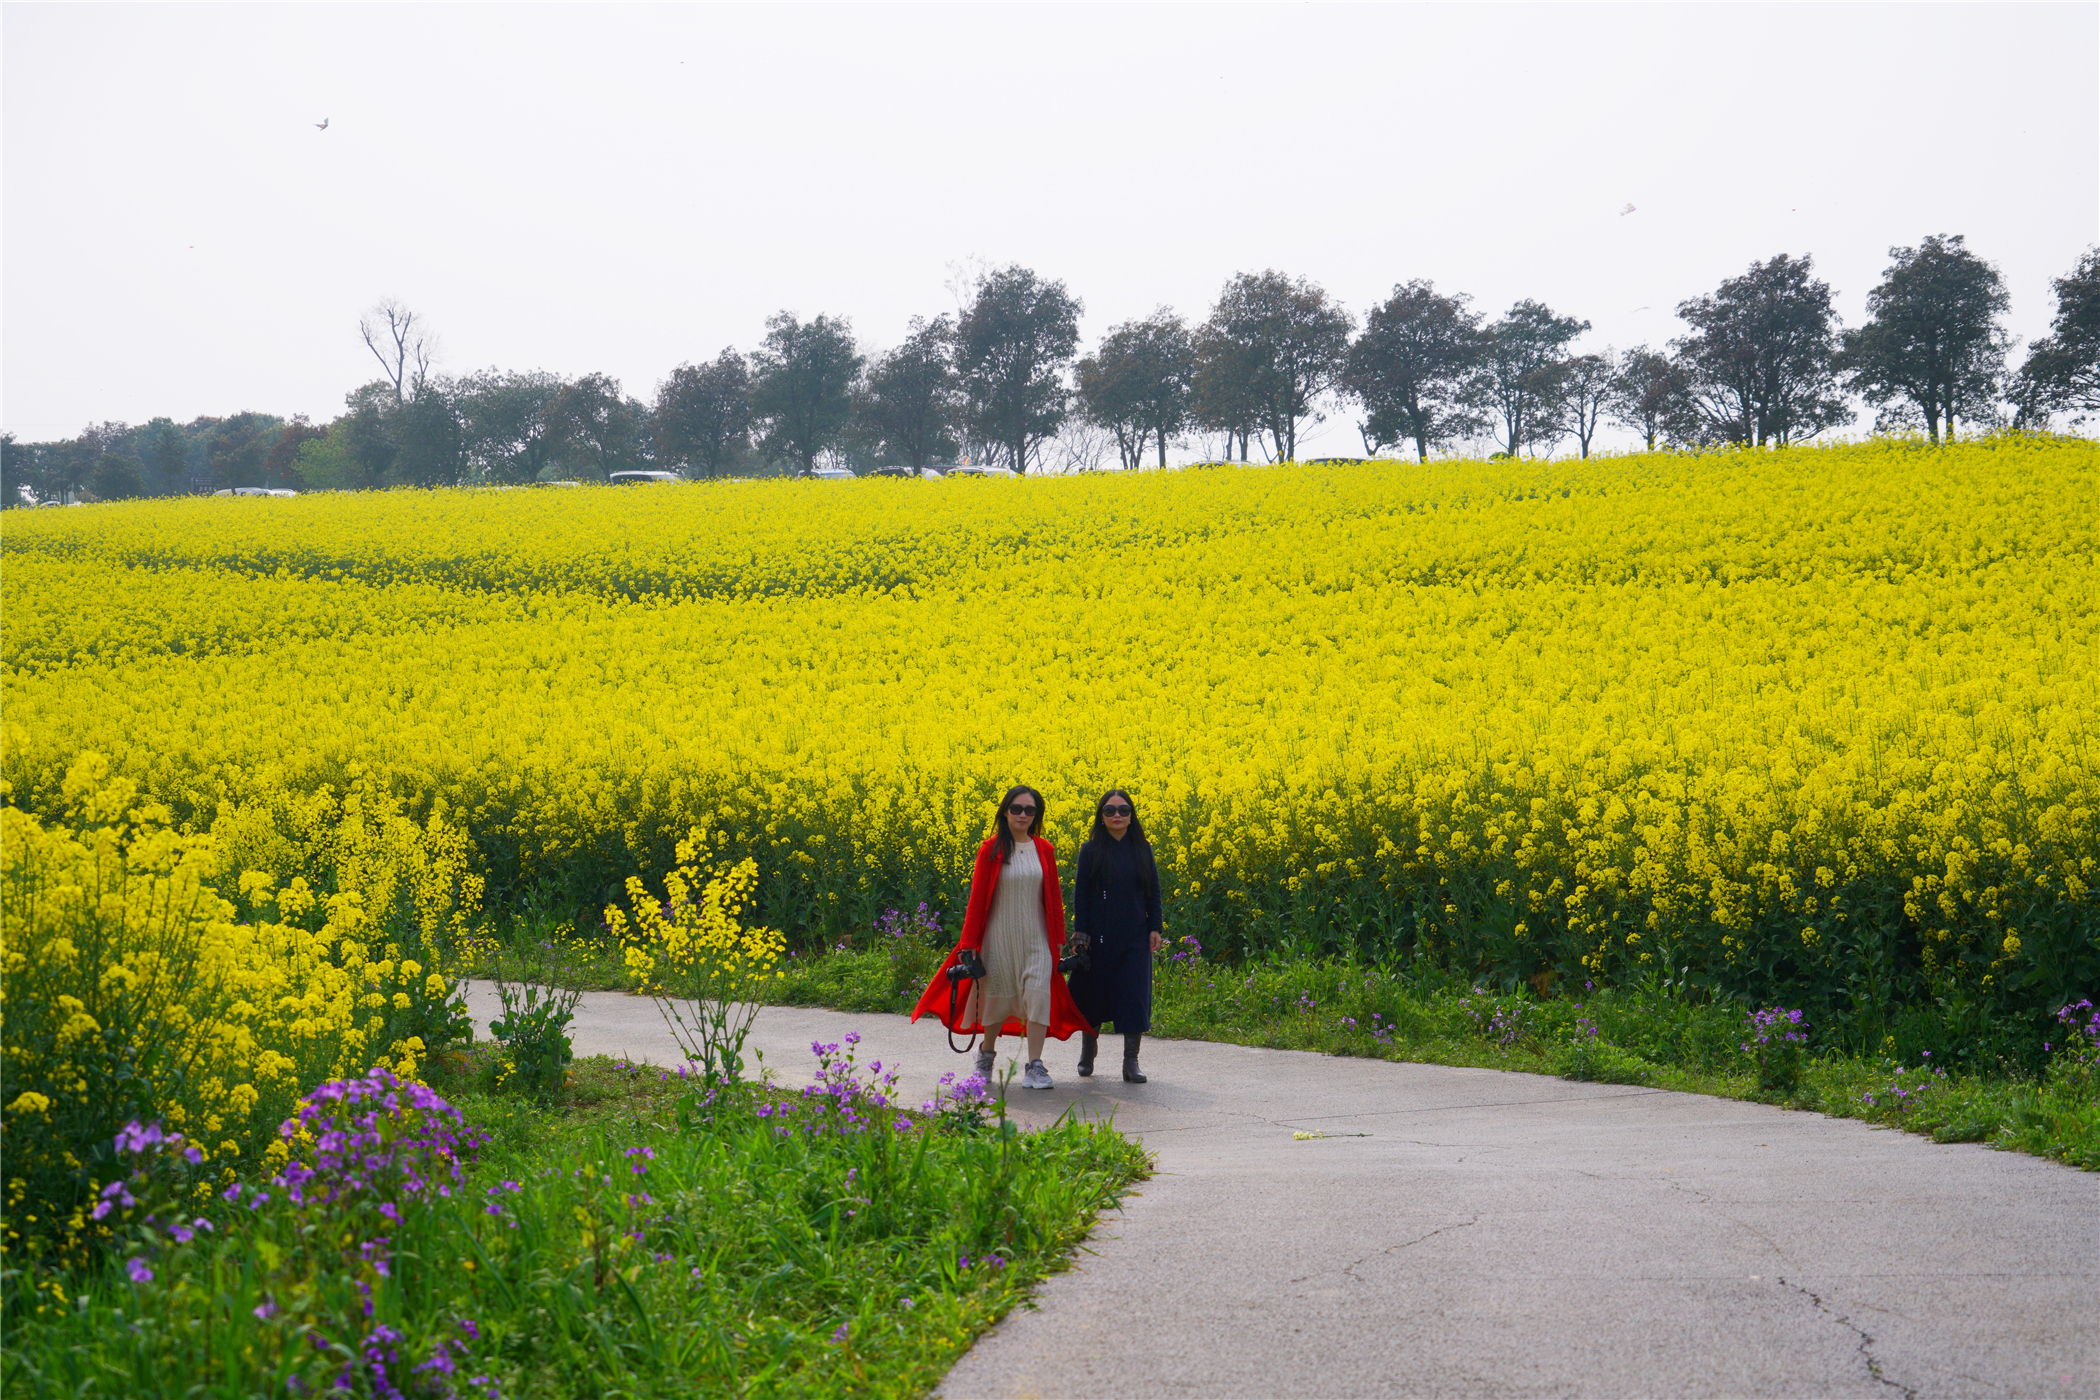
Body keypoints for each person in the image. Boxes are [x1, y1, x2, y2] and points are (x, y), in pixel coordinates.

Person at [909, 785, 1091, 1089]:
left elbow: (1054, 898)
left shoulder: (1044, 849)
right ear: (1005, 812)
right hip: (998, 939)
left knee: (1038, 996)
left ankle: (1035, 1066)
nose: (1023, 815)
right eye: (1016, 809)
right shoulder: (990, 849)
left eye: (1029, 810)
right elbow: (977, 901)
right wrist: (968, 945)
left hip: (1037, 940)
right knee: (995, 999)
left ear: (1036, 815)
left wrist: (1059, 939)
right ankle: (986, 1057)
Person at [1065, 788, 1164, 1083]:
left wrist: (1155, 927)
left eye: (1123, 810)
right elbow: (1080, 895)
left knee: (1133, 997)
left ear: (1131, 816)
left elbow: (1153, 892)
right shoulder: (1091, 850)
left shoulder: (1142, 848)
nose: (1117, 815)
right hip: (1098, 937)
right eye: (1109, 811)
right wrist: (1081, 934)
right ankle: (1087, 1052)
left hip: (1134, 936)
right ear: (1101, 816)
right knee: (1093, 996)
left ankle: (1130, 1062)